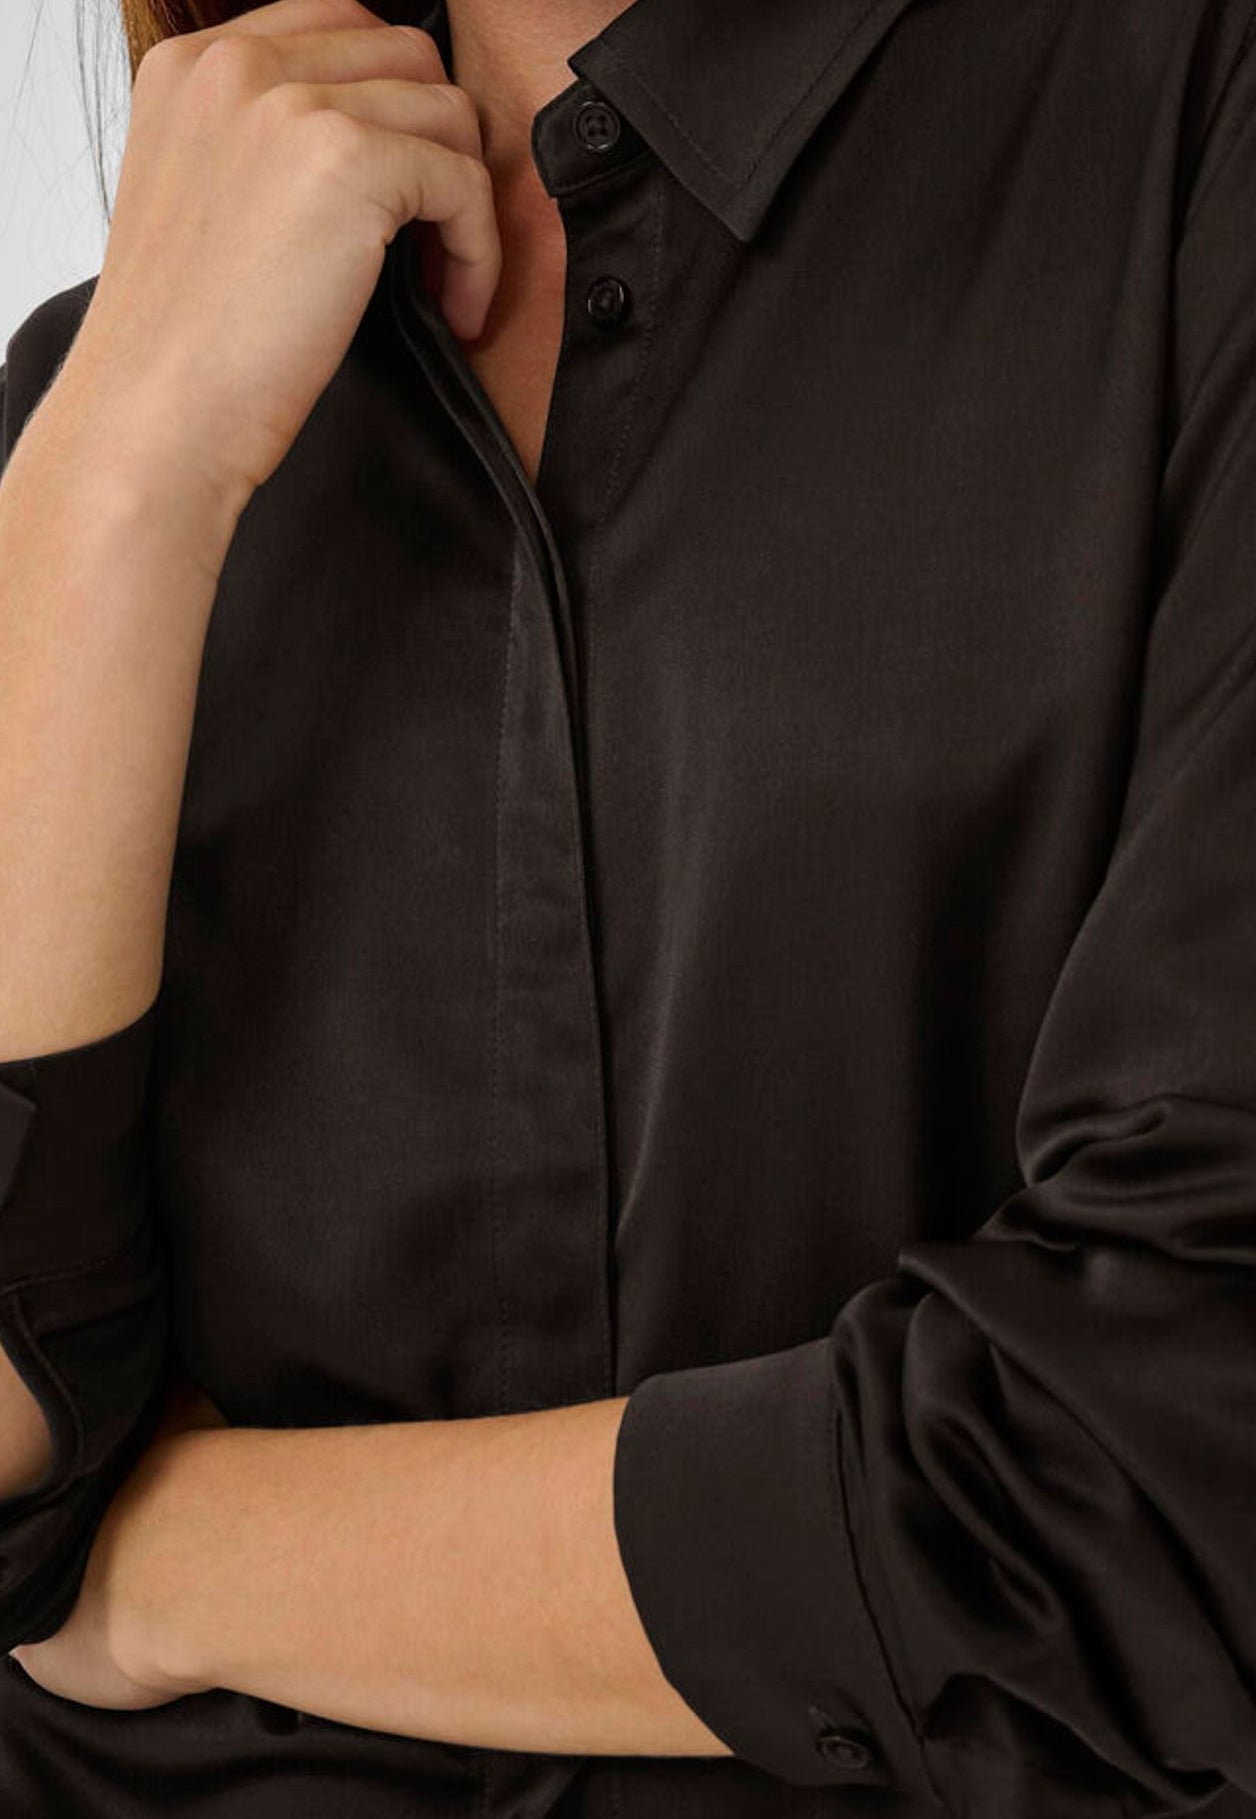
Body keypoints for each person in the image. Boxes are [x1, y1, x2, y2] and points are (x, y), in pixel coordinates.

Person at [1, 0, 1255, 1812]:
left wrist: (166, 1570)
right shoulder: (120, 377)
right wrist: (118, 481)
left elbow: (1169, 1472)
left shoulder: (1184, 130)